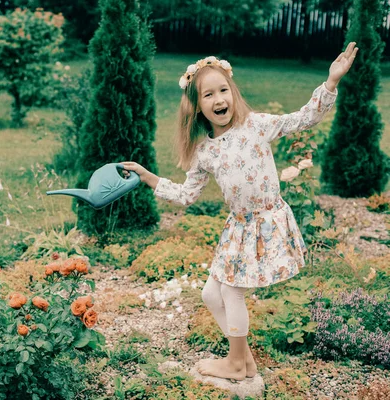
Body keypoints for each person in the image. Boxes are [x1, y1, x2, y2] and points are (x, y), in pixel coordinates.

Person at [121, 42, 358, 381]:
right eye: (208, 95)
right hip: (239, 228)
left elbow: (305, 118)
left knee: (230, 292)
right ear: (197, 106)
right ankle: (244, 359)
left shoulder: (257, 125)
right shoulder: (204, 152)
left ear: (232, 91)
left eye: (223, 90)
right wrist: (148, 177)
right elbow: (185, 195)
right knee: (209, 293)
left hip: (266, 223)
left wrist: (331, 81)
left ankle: (234, 363)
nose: (219, 100)